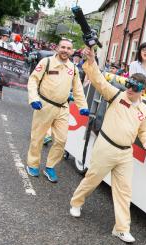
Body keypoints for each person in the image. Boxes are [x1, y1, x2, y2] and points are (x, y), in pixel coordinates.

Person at [69, 46, 146, 243]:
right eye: (129, 86)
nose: (130, 90)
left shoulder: (144, 109)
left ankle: (121, 228)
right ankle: (76, 202)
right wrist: (91, 61)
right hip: (106, 146)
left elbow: (144, 131)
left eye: (135, 88)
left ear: (142, 90)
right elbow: (99, 80)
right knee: (92, 178)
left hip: (126, 153)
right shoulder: (116, 95)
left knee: (124, 191)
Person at [26, 38, 89, 183]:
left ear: (72, 51)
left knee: (61, 140)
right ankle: (32, 164)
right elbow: (33, 80)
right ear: (57, 48)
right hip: (44, 105)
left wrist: (83, 107)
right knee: (38, 137)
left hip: (63, 107)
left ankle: (50, 167)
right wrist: (34, 98)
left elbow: (78, 89)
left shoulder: (73, 68)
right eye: (63, 47)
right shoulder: (46, 62)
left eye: (68, 48)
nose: (65, 50)